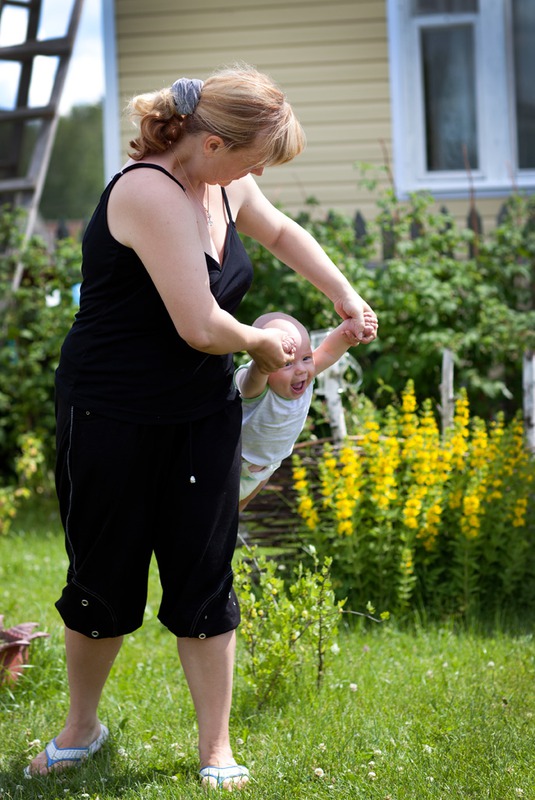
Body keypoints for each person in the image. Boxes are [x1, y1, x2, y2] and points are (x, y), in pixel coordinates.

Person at [24, 64, 378, 791]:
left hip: (199, 413)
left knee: (205, 579)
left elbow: (278, 229)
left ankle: (215, 749)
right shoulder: (148, 192)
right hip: (111, 414)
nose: (258, 174)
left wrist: (343, 296)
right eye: (255, 158)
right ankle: (80, 730)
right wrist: (260, 341)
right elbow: (199, 324)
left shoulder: (223, 180)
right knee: (105, 578)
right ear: (212, 143)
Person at [237, 311, 375, 511]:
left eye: (307, 357)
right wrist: (263, 361)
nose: (301, 369)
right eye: (287, 363)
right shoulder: (256, 383)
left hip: (267, 466)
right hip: (236, 464)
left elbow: (328, 351)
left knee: (235, 514)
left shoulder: (303, 376)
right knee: (212, 516)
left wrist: (350, 330)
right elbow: (253, 378)